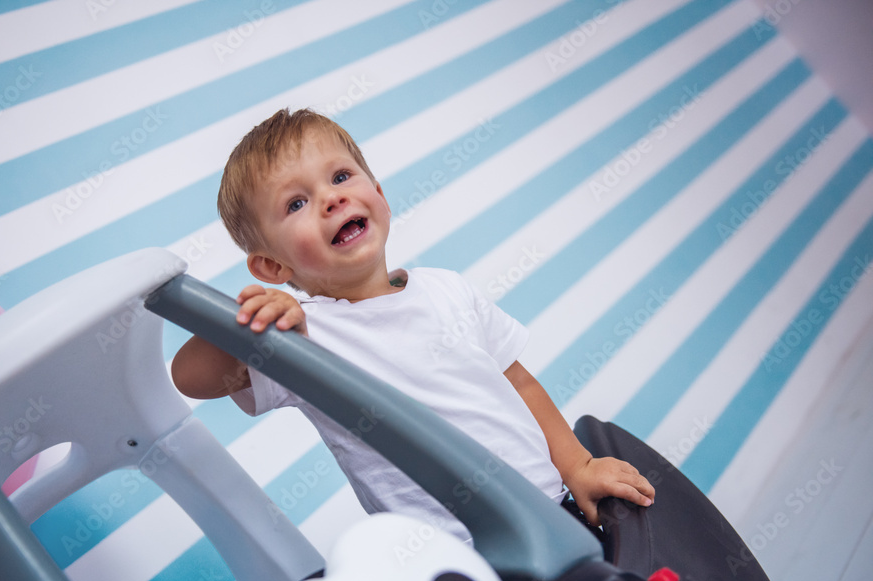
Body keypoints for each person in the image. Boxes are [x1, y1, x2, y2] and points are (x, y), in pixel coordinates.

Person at [171, 108, 654, 542]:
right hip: (450, 557)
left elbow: (520, 383)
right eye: (296, 203)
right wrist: (253, 327)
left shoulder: (448, 289)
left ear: (379, 195)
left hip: (553, 511)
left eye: (341, 176)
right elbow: (191, 377)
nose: (331, 199)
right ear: (273, 266)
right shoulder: (300, 337)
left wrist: (578, 466)